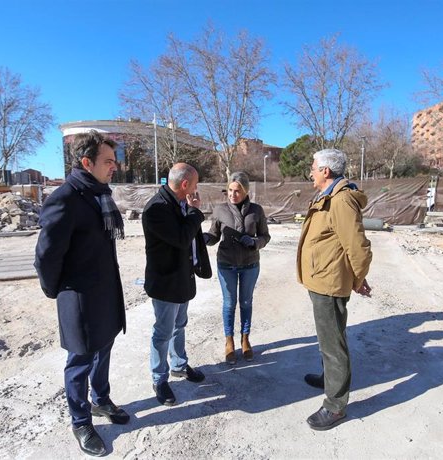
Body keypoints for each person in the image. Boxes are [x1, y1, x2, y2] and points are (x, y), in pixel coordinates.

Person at [34, 130, 128, 457]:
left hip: (105, 295)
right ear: (87, 162)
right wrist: (56, 291)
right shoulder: (65, 198)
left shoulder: (100, 194)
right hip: (79, 299)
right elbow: (46, 256)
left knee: (104, 349)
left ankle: (100, 399)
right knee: (80, 361)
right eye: (107, 161)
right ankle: (80, 420)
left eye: (114, 161)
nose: (114, 167)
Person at [296, 148, 373, 431]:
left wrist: (357, 279)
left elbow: (359, 248)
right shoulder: (328, 196)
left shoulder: (340, 201)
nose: (311, 172)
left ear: (326, 171)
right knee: (327, 338)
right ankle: (330, 378)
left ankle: (335, 405)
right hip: (322, 279)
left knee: (333, 343)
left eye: (314, 167)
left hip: (329, 283)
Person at [142, 163, 212, 406]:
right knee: (162, 332)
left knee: (179, 325)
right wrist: (195, 212)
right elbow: (182, 238)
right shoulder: (157, 208)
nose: (196, 189)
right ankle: (159, 378)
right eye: (194, 184)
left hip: (183, 278)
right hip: (165, 282)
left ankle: (179, 365)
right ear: (185, 185)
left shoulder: (180, 203)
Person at [204, 171, 271, 364]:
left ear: (246, 191)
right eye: (230, 190)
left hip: (250, 264)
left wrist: (254, 242)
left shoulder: (256, 211)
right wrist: (206, 239)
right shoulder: (220, 209)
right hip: (226, 264)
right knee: (229, 304)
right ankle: (229, 341)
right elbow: (214, 234)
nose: (233, 194)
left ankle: (245, 339)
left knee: (246, 303)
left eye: (238, 191)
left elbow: (265, 236)